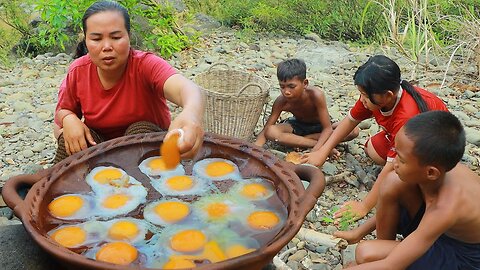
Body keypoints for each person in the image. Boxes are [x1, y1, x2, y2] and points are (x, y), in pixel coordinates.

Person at [53, 1, 204, 163]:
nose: (106, 46)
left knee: (139, 129)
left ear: (129, 36)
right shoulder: (78, 71)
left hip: (149, 150)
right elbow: (60, 120)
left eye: (116, 37)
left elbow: (188, 89)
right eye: (96, 39)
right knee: (69, 139)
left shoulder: (146, 65)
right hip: (102, 149)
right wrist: (69, 119)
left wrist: (191, 115)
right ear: (86, 40)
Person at [301, 55, 448, 222]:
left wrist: (364, 206)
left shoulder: (406, 117)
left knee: (398, 173)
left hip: (432, 147)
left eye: (364, 95)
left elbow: (390, 166)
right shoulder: (374, 96)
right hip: (404, 137)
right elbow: (350, 120)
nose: (361, 99)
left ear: (388, 95)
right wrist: (322, 152)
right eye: (361, 93)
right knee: (372, 149)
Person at [342, 111, 480, 269]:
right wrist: (358, 233)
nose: (394, 162)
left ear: (431, 172)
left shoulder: (445, 206)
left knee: (365, 253)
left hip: (461, 256)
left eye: (401, 159)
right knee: (392, 182)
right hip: (435, 229)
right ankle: (388, 248)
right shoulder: (435, 172)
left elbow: (390, 265)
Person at [254, 58, 358, 150]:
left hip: (320, 127)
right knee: (271, 131)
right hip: (297, 126)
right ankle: (313, 143)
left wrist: (317, 151)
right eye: (282, 86)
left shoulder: (316, 95)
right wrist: (255, 148)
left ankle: (299, 141)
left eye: (291, 86)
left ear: (305, 84)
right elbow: (267, 129)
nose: (286, 91)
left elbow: (327, 128)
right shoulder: (281, 101)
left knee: (353, 131)